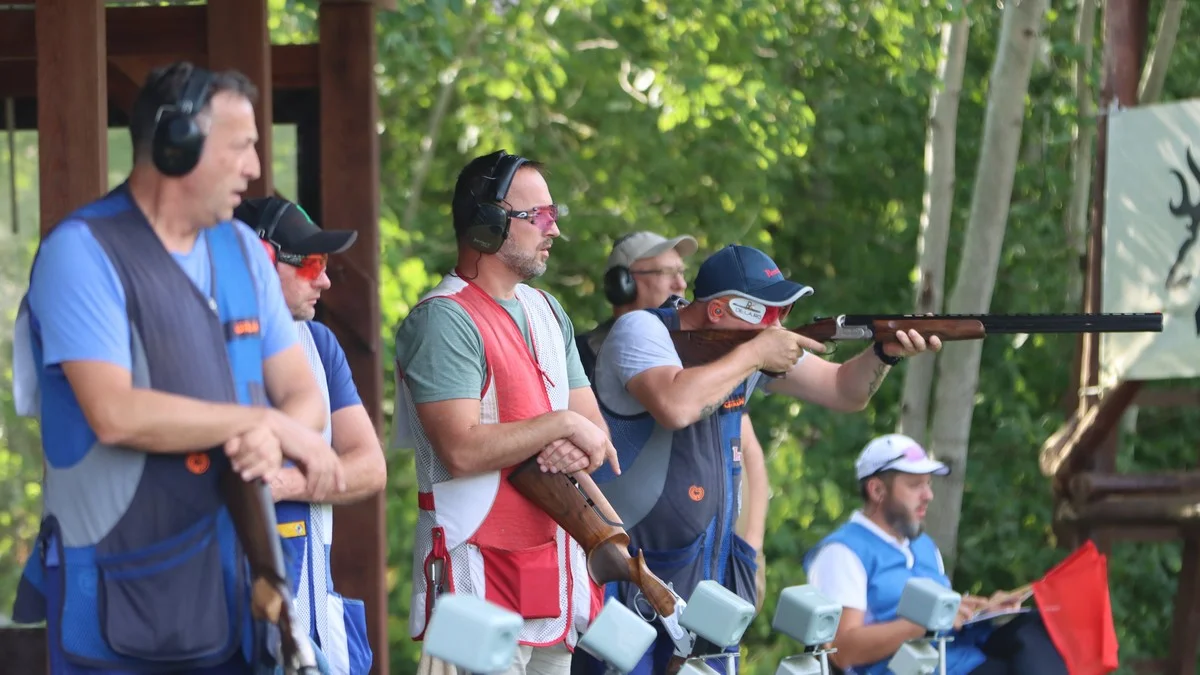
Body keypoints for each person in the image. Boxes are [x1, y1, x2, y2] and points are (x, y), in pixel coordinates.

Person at [9, 61, 344, 675]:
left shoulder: (243, 250)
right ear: (176, 141)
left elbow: (299, 389)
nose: (253, 168)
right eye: (239, 147)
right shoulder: (80, 253)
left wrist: (275, 430)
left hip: (239, 588)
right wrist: (266, 425)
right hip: (114, 594)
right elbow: (114, 412)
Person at [585, 244, 942, 674]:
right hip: (631, 570)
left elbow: (844, 391)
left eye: (784, 313)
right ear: (718, 312)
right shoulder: (643, 329)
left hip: (711, 574)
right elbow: (674, 405)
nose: (777, 326)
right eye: (766, 311)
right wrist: (755, 353)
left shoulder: (744, 349)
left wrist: (884, 352)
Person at [391, 149, 620, 675]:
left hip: (549, 575)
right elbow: (463, 449)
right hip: (474, 579)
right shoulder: (443, 320)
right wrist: (560, 426)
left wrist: (573, 433)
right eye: (538, 216)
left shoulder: (547, 309)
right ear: (488, 224)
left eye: (553, 214)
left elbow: (596, 435)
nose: (554, 229)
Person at [236, 195, 386, 675]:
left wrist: (282, 486)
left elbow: (370, 467)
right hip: (236, 608)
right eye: (312, 264)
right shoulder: (206, 341)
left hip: (314, 612)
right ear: (260, 260)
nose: (324, 279)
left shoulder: (319, 342)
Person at [803, 434, 1069, 675]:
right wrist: (926, 623)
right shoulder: (842, 553)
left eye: (928, 484)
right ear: (877, 490)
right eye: (915, 485)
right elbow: (841, 651)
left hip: (959, 658)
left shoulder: (923, 546)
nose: (928, 495)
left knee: (1035, 627)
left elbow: (937, 613)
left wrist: (981, 609)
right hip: (909, 669)